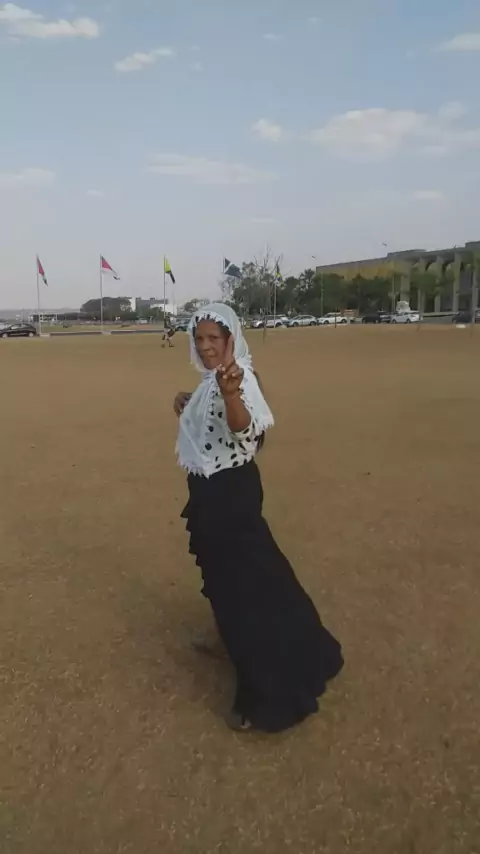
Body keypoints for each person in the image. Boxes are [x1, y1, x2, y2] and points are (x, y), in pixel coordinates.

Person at [174, 303, 343, 732]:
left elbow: (244, 429)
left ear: (231, 339)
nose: (206, 346)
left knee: (248, 588)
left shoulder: (239, 378)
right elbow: (212, 422)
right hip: (211, 492)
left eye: (214, 338)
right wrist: (188, 405)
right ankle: (227, 637)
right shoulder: (211, 380)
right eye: (199, 338)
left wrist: (232, 395)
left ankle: (266, 692)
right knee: (229, 576)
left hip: (230, 496)